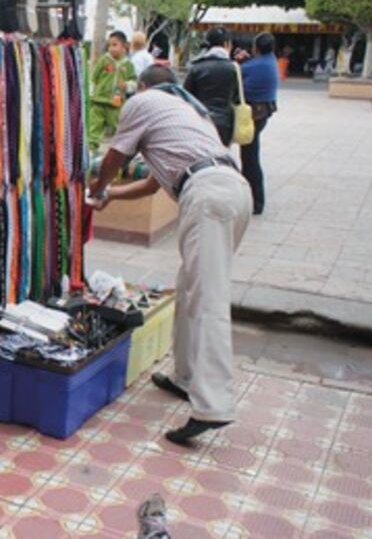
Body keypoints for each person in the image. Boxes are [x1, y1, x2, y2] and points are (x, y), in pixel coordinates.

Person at [87, 64, 252, 446]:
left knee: (208, 298)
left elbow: (115, 156)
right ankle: (184, 376)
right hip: (230, 189)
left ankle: (213, 406)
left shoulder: (143, 101)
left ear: (143, 87)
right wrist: (109, 197)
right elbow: (150, 184)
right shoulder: (189, 112)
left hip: (208, 194)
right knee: (190, 288)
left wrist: (98, 188)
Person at [239, 33, 279, 215]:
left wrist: (239, 62)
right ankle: (252, 197)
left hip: (254, 113)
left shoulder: (254, 66)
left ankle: (256, 200)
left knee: (250, 158)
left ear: (256, 48)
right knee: (250, 154)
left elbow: (236, 77)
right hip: (264, 111)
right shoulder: (270, 60)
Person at [183, 27, 238, 146]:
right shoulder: (234, 68)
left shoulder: (196, 67)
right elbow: (237, 97)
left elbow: (185, 96)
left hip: (200, 120)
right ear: (226, 44)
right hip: (225, 123)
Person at [88, 30, 137, 148]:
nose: (111, 48)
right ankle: (91, 150)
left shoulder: (128, 65)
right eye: (109, 45)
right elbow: (93, 78)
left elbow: (134, 82)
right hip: (98, 101)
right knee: (94, 128)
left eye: (114, 45)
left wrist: (127, 85)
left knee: (118, 130)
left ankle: (117, 155)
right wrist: (90, 95)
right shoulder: (104, 60)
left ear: (124, 46)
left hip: (116, 104)